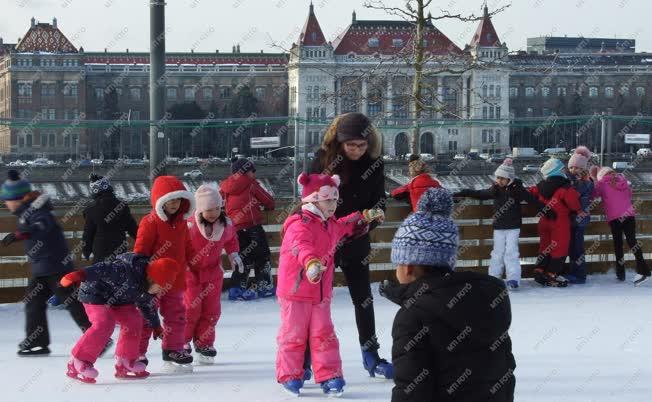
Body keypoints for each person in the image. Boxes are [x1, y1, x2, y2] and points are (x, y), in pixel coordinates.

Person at [381, 187, 516, 402]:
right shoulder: (489, 301)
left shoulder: (413, 318)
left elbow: (411, 390)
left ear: (408, 267)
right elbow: (505, 372)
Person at [276, 172, 384, 396]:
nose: (333, 204)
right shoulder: (299, 223)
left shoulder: (329, 223)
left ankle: (330, 375)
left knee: (324, 334)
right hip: (296, 291)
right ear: (313, 200)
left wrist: (364, 216)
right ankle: (290, 375)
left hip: (320, 293)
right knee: (293, 335)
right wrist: (311, 263)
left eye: (335, 199)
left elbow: (345, 225)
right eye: (328, 200)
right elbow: (300, 246)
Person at [309, 112, 392, 379]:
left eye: (362, 145)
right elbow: (308, 202)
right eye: (351, 145)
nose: (356, 151)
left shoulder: (374, 164)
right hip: (325, 241)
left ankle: (371, 354)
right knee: (318, 301)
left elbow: (379, 201)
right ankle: (306, 357)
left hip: (356, 239)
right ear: (340, 142)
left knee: (363, 299)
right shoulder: (322, 161)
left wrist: (371, 219)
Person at [0, 169, 91, 356]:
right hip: (43, 266)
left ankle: (97, 335)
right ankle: (37, 341)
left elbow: (42, 225)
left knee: (71, 301)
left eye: (7, 199)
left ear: (16, 198)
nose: (5, 203)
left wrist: (19, 234)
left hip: (55, 265)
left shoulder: (37, 209)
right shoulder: (29, 210)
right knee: (34, 303)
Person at [59, 253, 179, 383]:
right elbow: (102, 268)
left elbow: (147, 307)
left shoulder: (148, 290)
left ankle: (125, 360)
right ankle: (78, 361)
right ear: (152, 279)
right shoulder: (125, 271)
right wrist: (81, 275)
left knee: (134, 321)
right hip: (95, 294)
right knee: (104, 323)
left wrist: (155, 325)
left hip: (121, 300)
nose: (160, 292)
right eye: (160, 287)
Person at [133, 175, 196, 371]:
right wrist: (141, 274)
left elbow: (187, 246)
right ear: (160, 201)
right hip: (153, 281)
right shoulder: (150, 222)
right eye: (169, 200)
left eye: (177, 200)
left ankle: (173, 348)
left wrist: (195, 263)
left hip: (176, 280)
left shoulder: (182, 223)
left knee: (177, 316)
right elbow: (141, 250)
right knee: (145, 316)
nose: (174, 205)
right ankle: (137, 353)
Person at [454, 158, 547, 289]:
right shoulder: (495, 190)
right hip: (499, 227)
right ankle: (494, 277)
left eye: (502, 178)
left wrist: (546, 209)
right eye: (498, 178)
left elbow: (531, 200)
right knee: (497, 252)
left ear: (510, 179)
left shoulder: (517, 190)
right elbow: (480, 194)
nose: (499, 181)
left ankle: (513, 279)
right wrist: (464, 192)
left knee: (511, 252)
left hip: (513, 227)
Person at [184, 184, 243, 364]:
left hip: (212, 273)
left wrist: (234, 254)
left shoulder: (225, 225)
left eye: (218, 208)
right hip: (190, 272)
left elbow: (231, 239)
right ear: (200, 209)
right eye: (209, 209)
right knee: (190, 309)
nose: (214, 212)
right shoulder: (190, 225)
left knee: (211, 310)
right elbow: (178, 244)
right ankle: (182, 341)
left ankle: (205, 343)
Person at [221, 157, 276, 300]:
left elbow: (218, 200)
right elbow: (268, 200)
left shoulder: (225, 186)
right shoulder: (251, 184)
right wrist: (269, 206)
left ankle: (237, 288)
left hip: (235, 229)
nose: (254, 174)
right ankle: (263, 286)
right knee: (262, 256)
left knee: (242, 258)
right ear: (245, 172)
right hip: (253, 227)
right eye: (253, 171)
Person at [592, 167, 650, 285]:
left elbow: (592, 195)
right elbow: (629, 195)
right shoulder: (623, 181)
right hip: (629, 216)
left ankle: (621, 274)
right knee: (632, 241)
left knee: (618, 245)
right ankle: (644, 270)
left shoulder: (602, 184)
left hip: (615, 218)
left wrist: (593, 180)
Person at [529, 158, 582, 287]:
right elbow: (574, 204)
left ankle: (539, 270)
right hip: (560, 222)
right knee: (559, 248)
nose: (565, 170)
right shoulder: (565, 188)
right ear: (558, 171)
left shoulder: (540, 186)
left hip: (544, 221)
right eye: (562, 168)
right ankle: (552, 274)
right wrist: (579, 210)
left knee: (545, 247)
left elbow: (530, 193)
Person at [82, 173, 138, 263]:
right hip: (119, 249)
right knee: (119, 273)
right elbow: (133, 228)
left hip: (100, 251)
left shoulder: (91, 209)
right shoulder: (121, 206)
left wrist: (86, 251)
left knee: (102, 275)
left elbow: (88, 233)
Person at [565, 146, 594, 284]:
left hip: (579, 220)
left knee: (577, 248)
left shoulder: (585, 183)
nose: (573, 170)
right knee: (572, 247)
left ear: (583, 169)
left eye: (576, 168)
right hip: (572, 220)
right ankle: (573, 272)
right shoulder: (573, 182)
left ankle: (580, 274)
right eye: (571, 168)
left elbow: (574, 194)